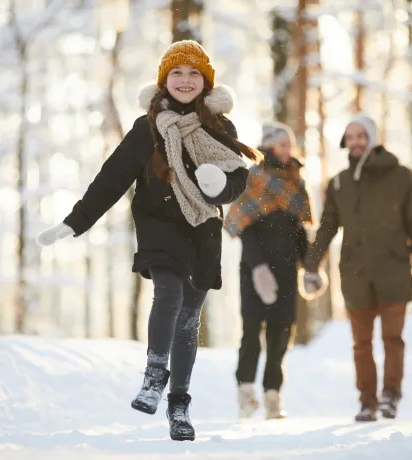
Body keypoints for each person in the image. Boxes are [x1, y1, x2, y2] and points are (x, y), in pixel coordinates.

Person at [36, 40, 261, 441]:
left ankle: (179, 405)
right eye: (177, 72)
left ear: (206, 82)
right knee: (168, 292)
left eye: (194, 73)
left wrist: (219, 187)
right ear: (164, 80)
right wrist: (75, 222)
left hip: (203, 230)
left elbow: (236, 180)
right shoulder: (147, 128)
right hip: (160, 227)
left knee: (189, 319)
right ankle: (155, 375)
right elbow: (111, 179)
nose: (185, 80)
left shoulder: (220, 127)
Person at [303, 113, 412, 422]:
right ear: (345, 142)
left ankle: (390, 396)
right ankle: (367, 402)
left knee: (392, 339)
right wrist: (311, 266)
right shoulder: (339, 183)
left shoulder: (400, 176)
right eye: (351, 137)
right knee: (361, 344)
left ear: (372, 139)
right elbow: (327, 228)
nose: (356, 142)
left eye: (361, 135)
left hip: (394, 272)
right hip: (355, 275)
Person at [224, 121, 320, 420]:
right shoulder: (253, 179)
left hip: (287, 270)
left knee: (281, 335)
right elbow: (245, 229)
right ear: (268, 147)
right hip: (255, 270)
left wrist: (310, 268)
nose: (288, 150)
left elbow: (300, 232)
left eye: (289, 145)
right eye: (282, 145)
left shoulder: (296, 183)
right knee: (252, 334)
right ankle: (245, 394)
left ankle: (272, 396)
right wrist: (259, 269)